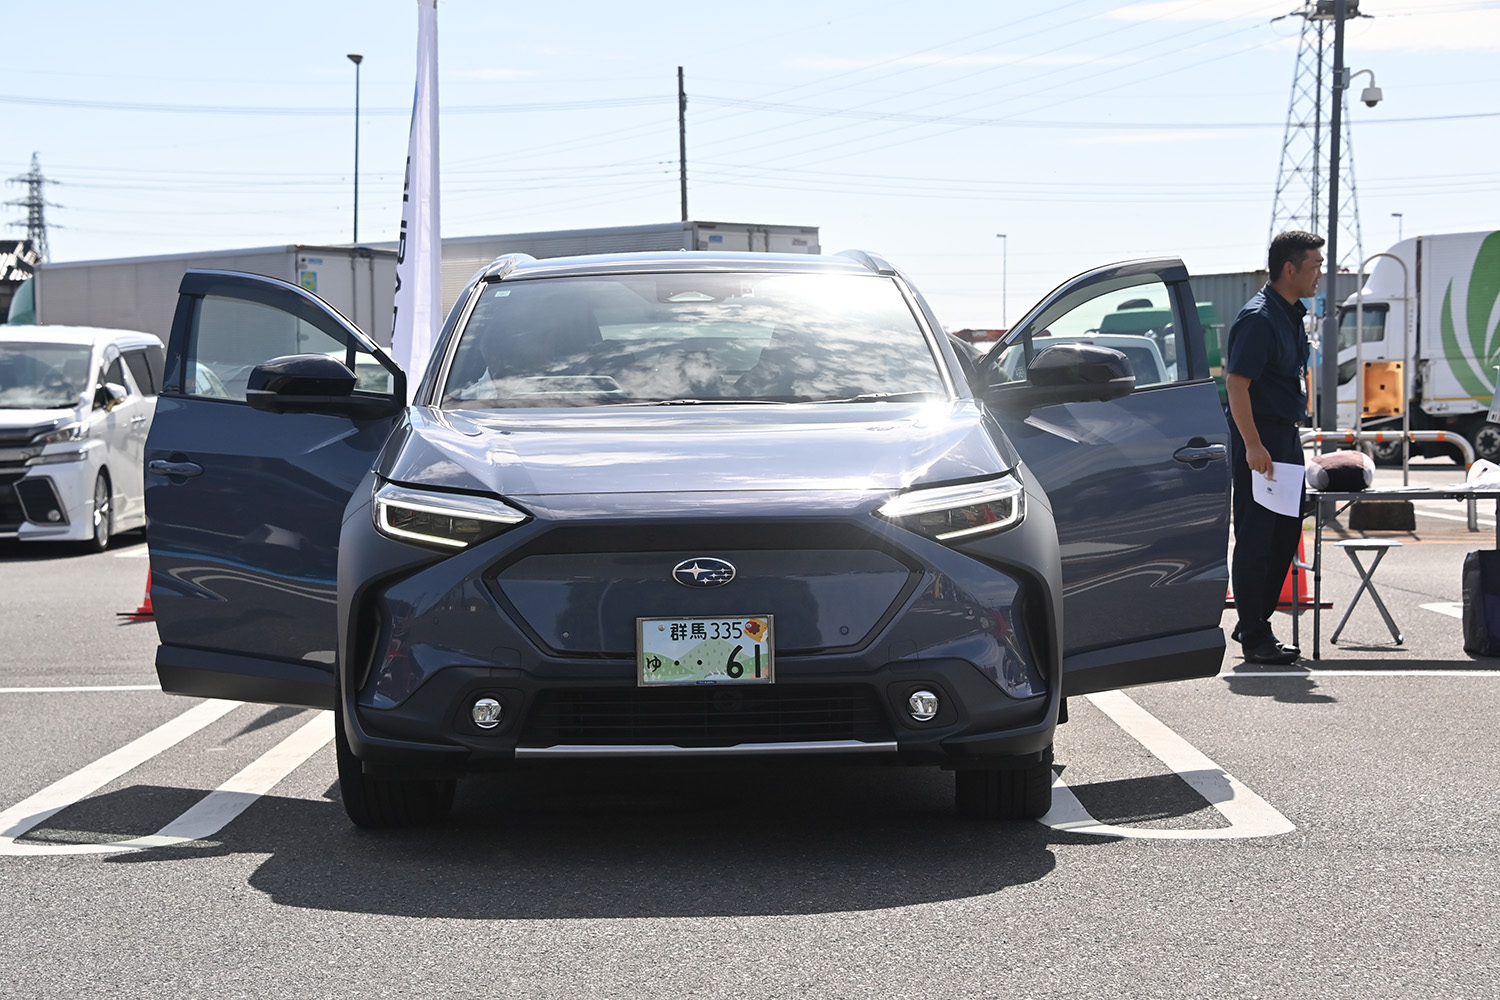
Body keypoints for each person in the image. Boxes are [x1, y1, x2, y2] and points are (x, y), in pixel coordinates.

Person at [1225, 231, 1325, 665]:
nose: (1320, 273)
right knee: (1257, 539)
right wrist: (1252, 445)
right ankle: (1256, 635)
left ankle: (1252, 622)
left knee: (1285, 535)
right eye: (1315, 265)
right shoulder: (1259, 318)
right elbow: (1237, 384)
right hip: (1261, 441)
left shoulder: (1291, 315)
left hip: (1285, 438)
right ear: (1290, 269)